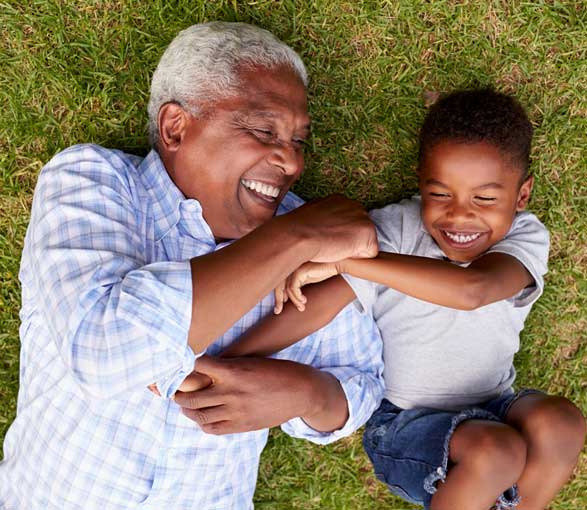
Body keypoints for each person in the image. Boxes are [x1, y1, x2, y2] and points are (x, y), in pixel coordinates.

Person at [0, 22, 385, 509]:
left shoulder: (308, 237)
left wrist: (303, 393)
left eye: (299, 141)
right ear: (175, 127)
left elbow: (361, 382)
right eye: (264, 131)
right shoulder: (91, 182)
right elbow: (105, 352)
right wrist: (295, 237)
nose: (290, 162)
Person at [223, 90, 586, 510]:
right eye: (440, 194)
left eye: (485, 199)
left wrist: (350, 261)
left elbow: (474, 291)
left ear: (521, 196)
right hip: (405, 424)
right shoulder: (396, 229)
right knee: (496, 451)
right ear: (421, 182)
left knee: (561, 423)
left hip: (496, 403)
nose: (459, 216)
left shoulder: (524, 236)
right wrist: (232, 357)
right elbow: (320, 306)